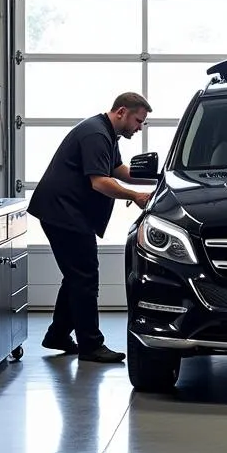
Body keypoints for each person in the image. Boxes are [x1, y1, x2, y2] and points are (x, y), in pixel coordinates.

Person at [28, 92, 154, 364]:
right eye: (138, 121)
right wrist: (135, 196)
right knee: (85, 277)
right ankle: (91, 345)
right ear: (121, 111)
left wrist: (159, 177)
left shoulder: (107, 133)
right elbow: (100, 182)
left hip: (66, 211)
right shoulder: (96, 134)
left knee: (76, 276)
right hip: (62, 212)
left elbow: (118, 169)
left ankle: (57, 335)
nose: (139, 127)